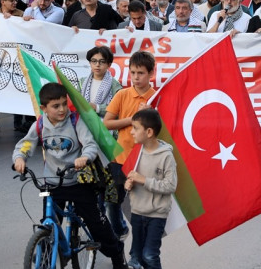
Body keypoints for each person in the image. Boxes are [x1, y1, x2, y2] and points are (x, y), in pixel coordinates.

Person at [12, 83, 127, 269]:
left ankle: (116, 254)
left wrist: (84, 157)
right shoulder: (40, 124)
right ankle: (47, 256)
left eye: (64, 104)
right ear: (44, 108)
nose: (62, 109)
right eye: (55, 106)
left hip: (77, 183)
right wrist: (20, 158)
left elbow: (89, 144)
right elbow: (26, 144)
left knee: (97, 225)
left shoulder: (76, 121)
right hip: (51, 184)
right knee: (49, 223)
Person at [103, 51, 156, 241]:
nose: (136, 77)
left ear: (151, 73)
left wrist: (151, 115)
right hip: (120, 158)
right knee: (112, 202)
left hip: (145, 162)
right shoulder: (122, 94)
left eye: (140, 73)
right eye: (133, 72)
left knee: (142, 208)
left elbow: (164, 132)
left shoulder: (156, 98)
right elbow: (107, 123)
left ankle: (141, 245)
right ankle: (119, 231)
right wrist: (131, 119)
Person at [124, 109, 176, 269]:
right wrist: (129, 183)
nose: (131, 132)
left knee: (150, 254)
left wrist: (144, 180)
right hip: (138, 212)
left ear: (149, 132)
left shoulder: (166, 155)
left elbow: (170, 185)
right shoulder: (137, 151)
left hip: (156, 214)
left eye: (135, 128)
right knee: (137, 256)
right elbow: (131, 176)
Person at [80, 46, 122, 118]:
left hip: (105, 126)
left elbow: (119, 110)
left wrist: (97, 108)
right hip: (83, 123)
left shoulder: (115, 85)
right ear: (90, 63)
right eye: (94, 61)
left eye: (102, 62)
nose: (97, 65)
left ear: (109, 65)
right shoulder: (82, 82)